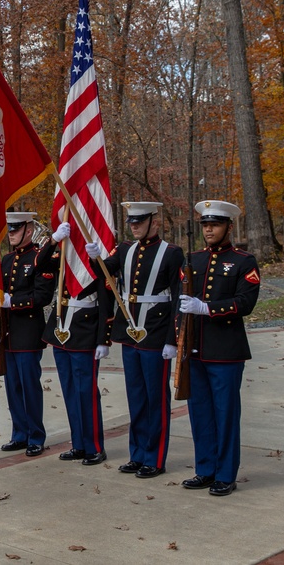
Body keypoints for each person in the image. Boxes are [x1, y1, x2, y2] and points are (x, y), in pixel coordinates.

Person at [86, 202, 183, 479]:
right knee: (136, 397)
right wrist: (95, 258)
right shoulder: (126, 248)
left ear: (155, 221)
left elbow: (177, 298)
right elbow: (104, 272)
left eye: (140, 221)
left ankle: (155, 458)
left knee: (156, 399)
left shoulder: (172, 253)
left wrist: (172, 339)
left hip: (155, 332)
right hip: (129, 331)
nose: (135, 226)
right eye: (131, 222)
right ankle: (137, 454)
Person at [178, 200, 260, 497]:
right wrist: (175, 341)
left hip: (226, 351)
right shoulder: (193, 259)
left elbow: (245, 303)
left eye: (214, 224)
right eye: (205, 225)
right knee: (200, 412)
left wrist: (208, 308)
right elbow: (182, 304)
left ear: (229, 226)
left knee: (225, 414)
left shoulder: (243, 261)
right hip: (196, 349)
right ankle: (205, 469)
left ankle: (225, 474)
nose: (209, 229)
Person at [0, 211, 70, 457]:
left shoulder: (41, 258)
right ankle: (19, 434)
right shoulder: (6, 259)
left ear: (28, 230)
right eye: (10, 230)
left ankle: (36, 436)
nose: (12, 235)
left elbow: (42, 297)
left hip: (28, 332)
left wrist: (12, 303)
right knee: (12, 386)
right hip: (8, 333)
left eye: (16, 230)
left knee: (29, 386)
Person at [42, 261, 114, 466]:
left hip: (85, 333)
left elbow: (106, 303)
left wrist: (103, 339)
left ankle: (95, 447)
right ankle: (79, 444)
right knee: (70, 392)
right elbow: (42, 264)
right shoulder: (65, 255)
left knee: (86, 393)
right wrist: (54, 240)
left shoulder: (95, 259)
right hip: (62, 330)